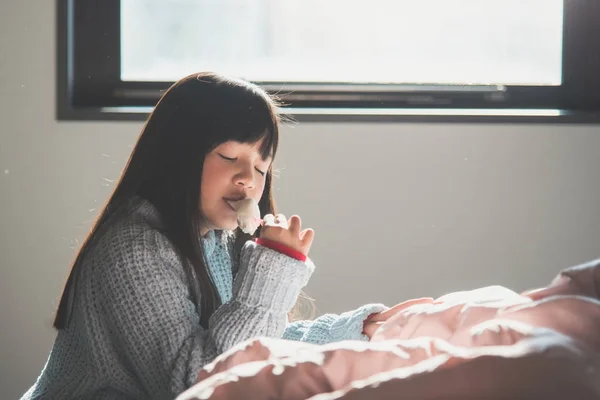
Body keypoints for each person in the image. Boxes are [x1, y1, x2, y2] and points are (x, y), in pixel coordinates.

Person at [21, 72, 396, 400]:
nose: (249, 178)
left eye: (261, 167)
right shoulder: (135, 249)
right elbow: (200, 385)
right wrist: (271, 274)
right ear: (178, 154)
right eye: (231, 157)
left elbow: (254, 346)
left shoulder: (217, 240)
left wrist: (346, 331)